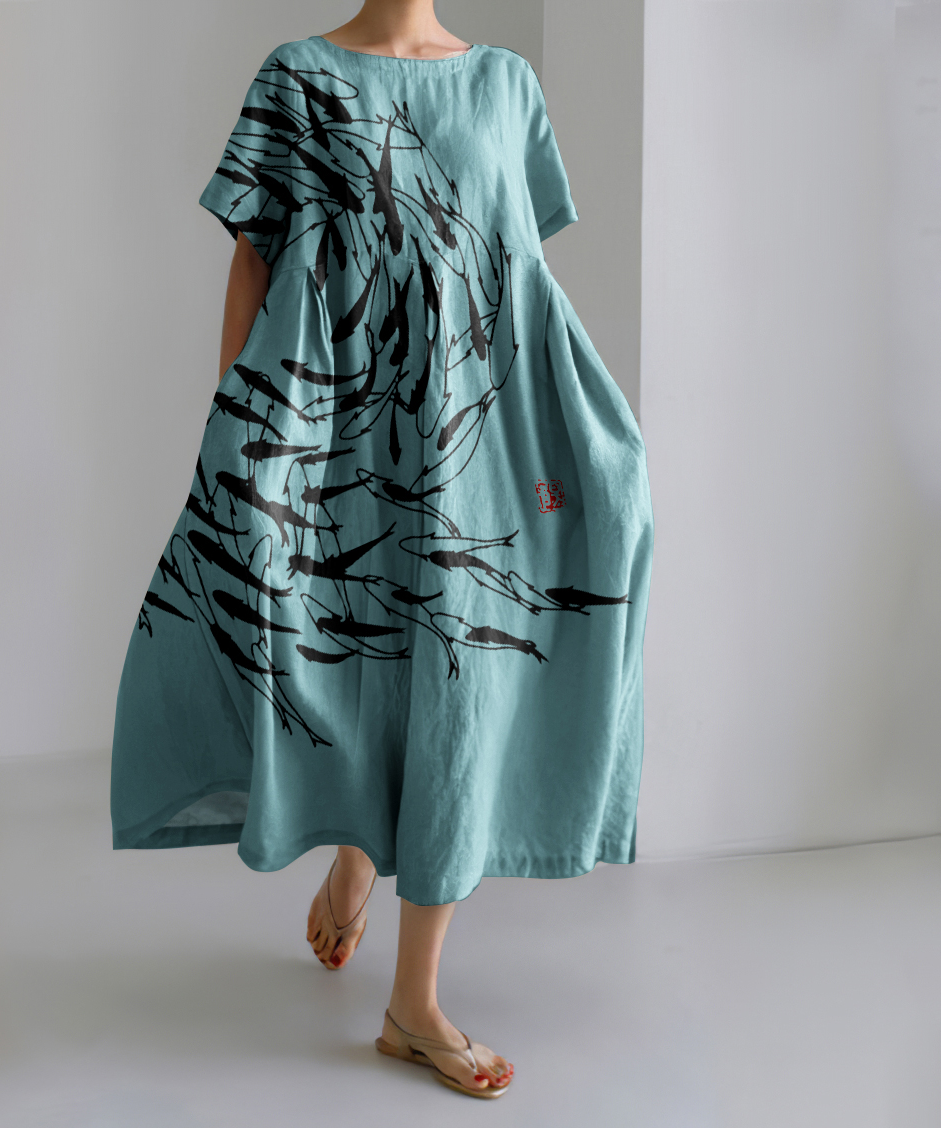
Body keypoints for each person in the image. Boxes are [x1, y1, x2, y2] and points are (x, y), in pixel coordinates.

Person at [110, 0, 653, 1099]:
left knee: (459, 678)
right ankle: (361, 848)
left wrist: (587, 439)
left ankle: (414, 1001)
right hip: (332, 432)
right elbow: (254, 263)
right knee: (338, 644)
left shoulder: (506, 85)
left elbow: (514, 277)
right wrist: (238, 428)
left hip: (475, 444)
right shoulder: (297, 77)